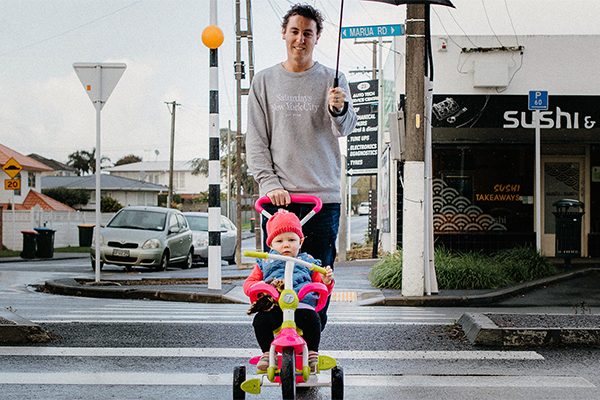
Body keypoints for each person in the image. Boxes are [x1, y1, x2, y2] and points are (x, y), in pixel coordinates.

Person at [246, 3, 357, 328]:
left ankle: (308, 346)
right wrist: (270, 185)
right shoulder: (264, 81)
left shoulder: (333, 79)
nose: (300, 39)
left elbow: (345, 128)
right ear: (284, 33)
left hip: (323, 200)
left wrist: (339, 108)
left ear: (317, 37)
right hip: (279, 203)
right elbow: (256, 140)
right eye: (294, 31)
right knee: (273, 278)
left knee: (317, 282)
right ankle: (275, 346)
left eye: (308, 33)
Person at [243, 209, 334, 371]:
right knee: (260, 321)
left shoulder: (308, 261)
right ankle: (266, 354)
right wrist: (257, 287)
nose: (286, 245)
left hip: (301, 305)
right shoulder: (265, 261)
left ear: (300, 242)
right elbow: (250, 282)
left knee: (314, 319)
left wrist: (326, 280)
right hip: (275, 306)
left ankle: (312, 354)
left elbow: (320, 282)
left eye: (291, 240)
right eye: (280, 241)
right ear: (270, 244)